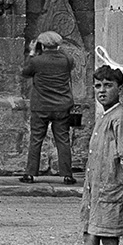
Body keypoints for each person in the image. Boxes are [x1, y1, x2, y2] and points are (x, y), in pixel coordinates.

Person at [80, 65, 123, 245]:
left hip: (113, 189)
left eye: (108, 85)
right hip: (96, 189)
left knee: (108, 236)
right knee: (91, 232)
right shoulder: (104, 116)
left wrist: (122, 178)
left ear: (120, 89)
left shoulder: (121, 118)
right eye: (98, 86)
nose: (102, 91)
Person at [19, 29, 75, 183]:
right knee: (63, 140)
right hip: (62, 106)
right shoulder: (67, 59)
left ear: (42, 45)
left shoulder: (36, 61)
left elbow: (25, 72)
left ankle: (30, 173)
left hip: (41, 106)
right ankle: (67, 175)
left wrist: (32, 52)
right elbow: (70, 64)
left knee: (36, 139)